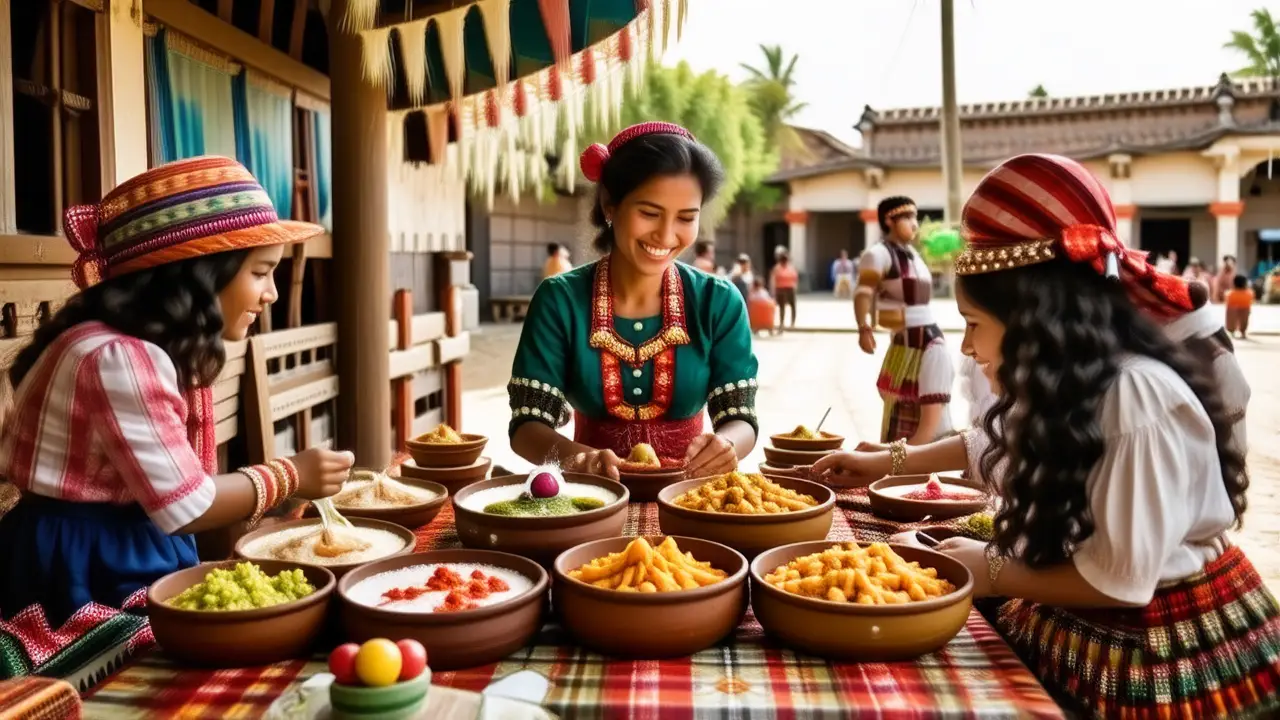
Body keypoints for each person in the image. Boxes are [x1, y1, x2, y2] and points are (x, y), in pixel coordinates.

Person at [818, 154, 1279, 719]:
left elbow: (1121, 580)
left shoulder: (1134, 396)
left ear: (1034, 320)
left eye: (975, 325)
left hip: (1158, 644)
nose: (965, 347)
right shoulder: (1074, 381)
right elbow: (995, 444)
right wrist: (888, 460)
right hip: (1081, 610)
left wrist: (985, 568)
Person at [0, 156, 356, 626]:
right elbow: (185, 504)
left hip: (110, 543)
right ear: (199, 275)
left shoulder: (124, 347)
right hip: (89, 570)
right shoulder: (120, 359)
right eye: (259, 272)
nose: (270, 293)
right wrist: (291, 476)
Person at [506, 122, 759, 482]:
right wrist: (579, 459)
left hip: (693, 498)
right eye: (650, 213)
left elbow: (740, 416)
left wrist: (727, 445)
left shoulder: (718, 301)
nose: (667, 234)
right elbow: (526, 426)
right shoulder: (559, 300)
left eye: (687, 218)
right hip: (590, 496)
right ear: (610, 204)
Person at [854, 196, 954, 444]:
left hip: (925, 339)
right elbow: (863, 292)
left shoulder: (913, 255)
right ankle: (902, 465)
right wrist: (863, 328)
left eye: (915, 218)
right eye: (908, 217)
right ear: (889, 220)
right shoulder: (877, 254)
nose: (915, 224)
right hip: (905, 342)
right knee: (899, 407)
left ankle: (917, 460)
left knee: (929, 409)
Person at [770, 251, 799, 330]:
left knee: (793, 306)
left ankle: (792, 323)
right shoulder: (777, 268)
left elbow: (795, 278)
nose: (785, 261)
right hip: (780, 289)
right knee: (782, 307)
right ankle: (781, 323)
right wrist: (773, 291)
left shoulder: (791, 268)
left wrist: (795, 287)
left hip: (790, 288)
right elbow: (773, 279)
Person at [1226, 273, 1254, 339]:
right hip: (1245, 308)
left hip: (1233, 309)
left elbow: (1228, 304)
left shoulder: (1230, 294)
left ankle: (1232, 330)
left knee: (1231, 318)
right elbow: (1250, 302)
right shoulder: (1249, 293)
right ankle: (1243, 332)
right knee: (1244, 320)